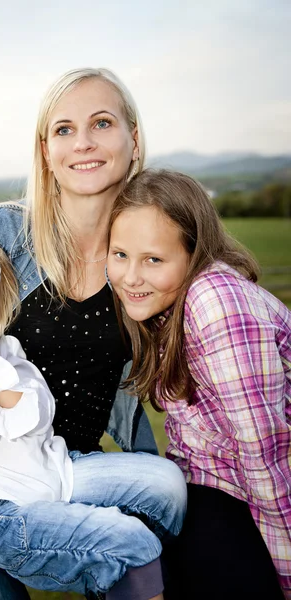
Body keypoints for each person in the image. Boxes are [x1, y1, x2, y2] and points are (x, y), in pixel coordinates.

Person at [0, 68, 187, 600]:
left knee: (152, 537)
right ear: (45, 150)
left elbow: (216, 295)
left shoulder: (147, 255)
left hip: (69, 465)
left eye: (101, 123)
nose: (84, 142)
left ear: (133, 140)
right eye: (64, 129)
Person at [0, 223, 182, 599]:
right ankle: (131, 577)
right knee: (129, 540)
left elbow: (36, 418)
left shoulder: (3, 347)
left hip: (50, 471)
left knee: (167, 480)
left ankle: (151, 573)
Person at [106, 168, 291, 600]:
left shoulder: (217, 303)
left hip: (266, 484)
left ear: (195, 253)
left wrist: (285, 572)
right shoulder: (164, 306)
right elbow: (191, 436)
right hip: (215, 482)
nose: (131, 276)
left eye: (153, 259)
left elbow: (265, 453)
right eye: (119, 254)